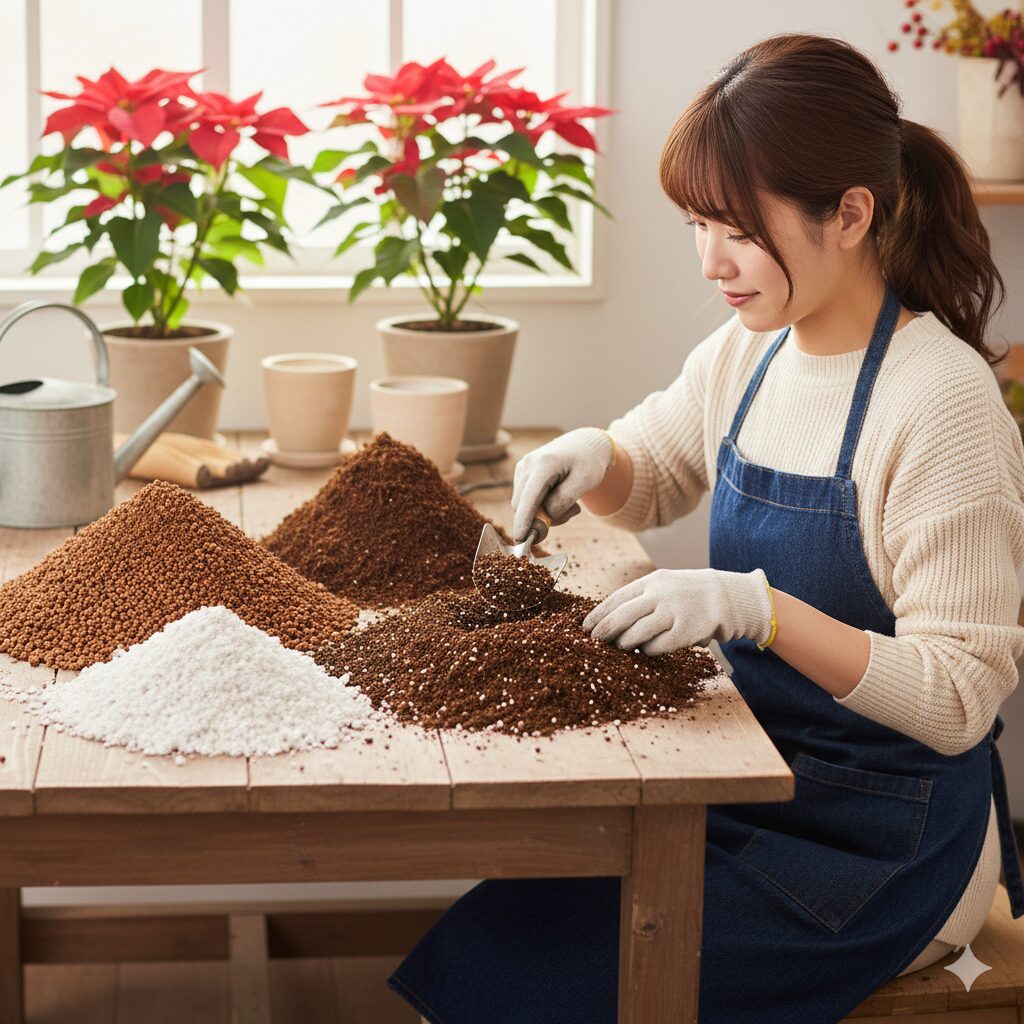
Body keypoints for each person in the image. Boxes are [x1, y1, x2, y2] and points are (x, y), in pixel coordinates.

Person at [385, 32, 1024, 1024]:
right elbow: (653, 474)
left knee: (543, 992)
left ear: (849, 213)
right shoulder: (751, 348)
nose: (710, 260)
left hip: (886, 841)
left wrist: (755, 611)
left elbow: (958, 696)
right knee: (482, 950)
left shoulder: (939, 403)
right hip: (743, 778)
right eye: (696, 223)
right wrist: (592, 456)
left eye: (735, 228)